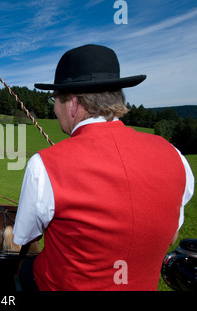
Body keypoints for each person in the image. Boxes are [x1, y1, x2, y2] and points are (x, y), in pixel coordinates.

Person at [13, 44, 195, 291]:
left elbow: (24, 237)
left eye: (55, 100)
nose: (54, 109)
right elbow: (171, 234)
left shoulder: (43, 165)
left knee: (17, 275)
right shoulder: (175, 156)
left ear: (73, 105)